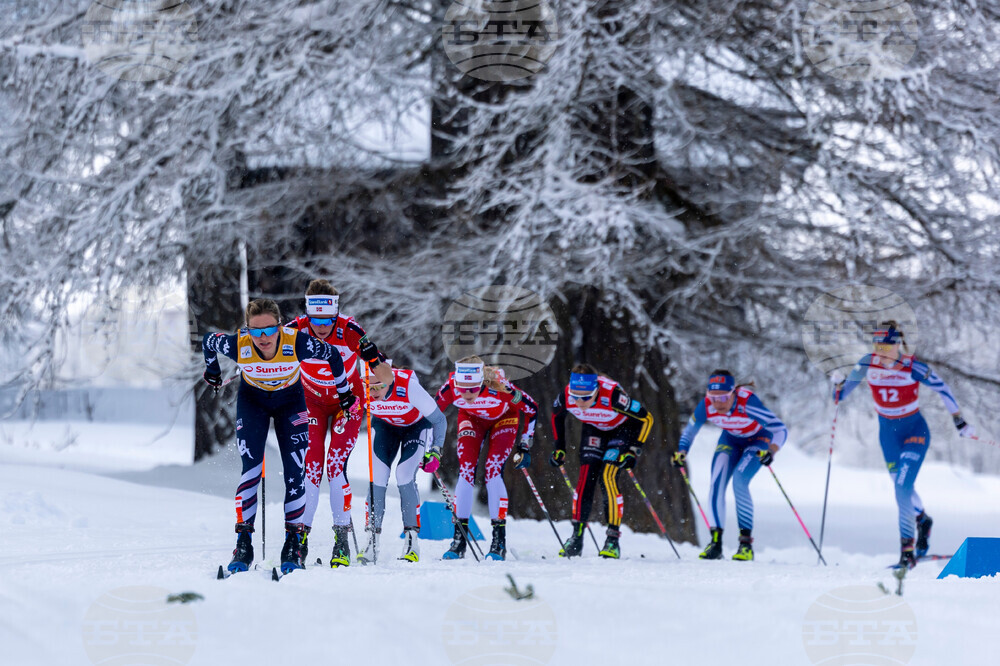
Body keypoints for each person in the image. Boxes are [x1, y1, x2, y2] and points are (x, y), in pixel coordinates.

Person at [203, 298, 356, 574]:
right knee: (250, 470)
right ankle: (243, 544)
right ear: (246, 329)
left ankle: (293, 543)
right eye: (255, 331)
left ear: (280, 327)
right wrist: (212, 371)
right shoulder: (237, 344)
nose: (263, 338)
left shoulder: (297, 342)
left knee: (295, 473)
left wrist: (344, 393)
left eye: (269, 330)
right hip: (253, 403)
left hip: (291, 404)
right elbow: (208, 341)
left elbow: (332, 355)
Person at [832, 321, 975, 568]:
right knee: (902, 488)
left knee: (901, 486)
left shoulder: (912, 366)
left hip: (914, 432)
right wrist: (836, 384)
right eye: (877, 345)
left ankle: (907, 554)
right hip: (888, 436)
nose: (882, 351)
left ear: (898, 344)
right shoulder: (867, 363)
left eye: (887, 346)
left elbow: (944, 389)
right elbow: (840, 396)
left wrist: (959, 421)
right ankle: (923, 519)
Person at [287, 280, 394, 567]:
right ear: (308, 315)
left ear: (336, 315)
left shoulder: (349, 331)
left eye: (328, 320)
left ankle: (341, 539)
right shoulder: (295, 329)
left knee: (335, 468)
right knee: (310, 468)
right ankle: (300, 539)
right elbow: (266, 352)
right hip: (310, 402)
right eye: (316, 319)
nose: (321, 327)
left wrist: (381, 372)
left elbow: (383, 370)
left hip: (347, 403)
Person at [671, 369, 787, 561]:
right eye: (713, 397)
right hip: (731, 440)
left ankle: (745, 546)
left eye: (724, 397)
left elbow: (779, 429)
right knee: (716, 483)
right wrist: (682, 451)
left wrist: (772, 451)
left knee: (739, 482)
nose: (718, 403)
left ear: (733, 393)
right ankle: (715, 544)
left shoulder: (748, 403)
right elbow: (690, 431)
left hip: (758, 440)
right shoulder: (706, 405)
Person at [432, 357, 538, 561]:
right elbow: (431, 415)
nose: (467, 393)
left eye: (473, 388)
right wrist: (431, 449)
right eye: (463, 388)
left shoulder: (502, 389)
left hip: (504, 419)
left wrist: (525, 444)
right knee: (466, 470)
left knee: (492, 470)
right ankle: (458, 540)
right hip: (471, 419)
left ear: (482, 382)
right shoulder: (450, 388)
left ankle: (499, 541)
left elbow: (532, 409)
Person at [549, 364, 654, 559]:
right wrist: (559, 448)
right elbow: (556, 416)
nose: (580, 402)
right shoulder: (566, 396)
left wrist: (634, 450)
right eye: (575, 396)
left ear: (596, 391)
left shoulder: (612, 395)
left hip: (622, 430)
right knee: (585, 479)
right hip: (594, 430)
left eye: (586, 397)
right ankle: (576, 538)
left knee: (607, 477)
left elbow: (646, 418)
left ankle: (612, 541)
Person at [357, 362, 448, 564]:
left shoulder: (407, 387)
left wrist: (436, 451)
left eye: (379, 385)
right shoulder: (358, 387)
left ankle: (411, 541)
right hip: (386, 428)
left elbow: (439, 420)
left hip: (415, 427)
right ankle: (372, 539)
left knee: (404, 475)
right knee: (378, 477)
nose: (373, 392)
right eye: (368, 386)